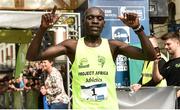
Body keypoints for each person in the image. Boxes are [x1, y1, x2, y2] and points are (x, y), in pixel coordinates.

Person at [26, 6, 156, 109]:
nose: (95, 21)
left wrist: (137, 28)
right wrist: (43, 29)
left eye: (99, 18)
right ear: (83, 22)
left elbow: (150, 56)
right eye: (90, 18)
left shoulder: (112, 46)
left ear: (103, 23)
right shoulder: (72, 46)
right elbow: (32, 56)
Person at [151, 32, 180, 108]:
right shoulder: (168, 64)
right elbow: (157, 79)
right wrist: (155, 63)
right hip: (172, 102)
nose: (166, 47)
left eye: (168, 44)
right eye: (164, 45)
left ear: (177, 43)